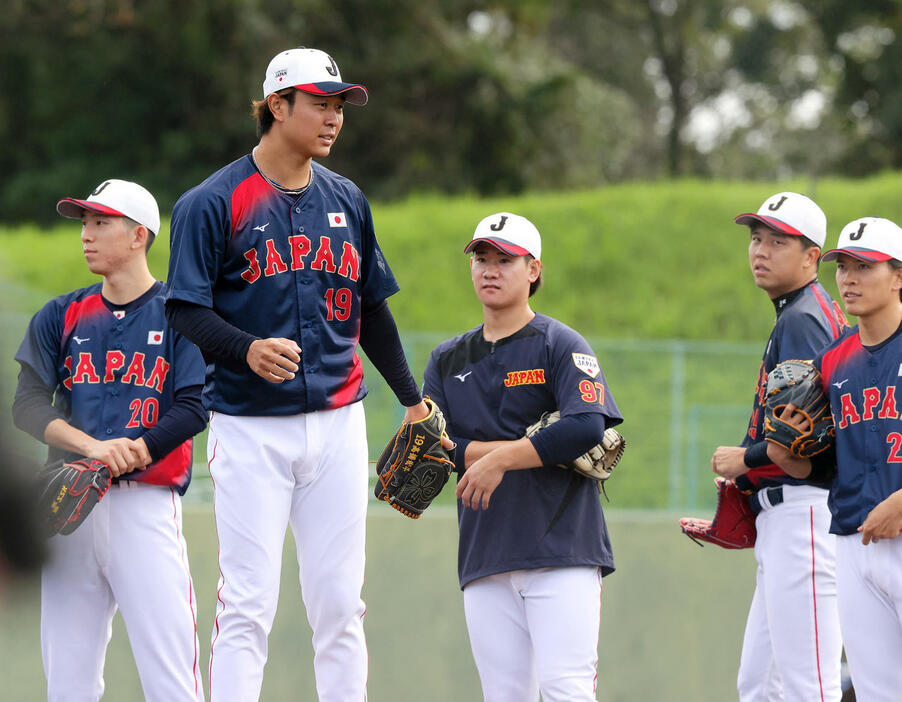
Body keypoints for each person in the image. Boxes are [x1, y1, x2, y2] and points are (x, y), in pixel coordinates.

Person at [164, 47, 440, 701]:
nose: (333, 118)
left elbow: (371, 309)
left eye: (339, 105)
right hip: (250, 426)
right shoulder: (212, 202)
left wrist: (412, 399)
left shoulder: (347, 198)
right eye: (320, 103)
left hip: (340, 421)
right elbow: (183, 310)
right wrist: (245, 348)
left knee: (342, 605)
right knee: (249, 603)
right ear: (277, 106)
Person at [12, 179, 207, 701]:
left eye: (101, 222)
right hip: (68, 505)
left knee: (171, 677)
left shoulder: (179, 314)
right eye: (84, 223)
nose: (86, 235)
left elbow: (194, 406)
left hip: (144, 508)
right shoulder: (61, 315)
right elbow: (26, 405)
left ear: (138, 235)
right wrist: (94, 448)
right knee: (69, 682)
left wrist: (135, 451)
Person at [422, 212, 622, 701]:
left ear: (533, 270)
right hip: (486, 552)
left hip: (562, 551)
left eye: (504, 260)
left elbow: (587, 424)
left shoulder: (560, 343)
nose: (489, 269)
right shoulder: (447, 360)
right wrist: (508, 452)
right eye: (481, 259)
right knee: (505, 695)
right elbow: (433, 447)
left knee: (564, 689)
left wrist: (495, 458)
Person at [710, 192, 846, 701]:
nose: (760, 250)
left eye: (778, 241)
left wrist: (742, 460)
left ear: (812, 256)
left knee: (808, 685)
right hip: (786, 516)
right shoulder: (805, 313)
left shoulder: (802, 319)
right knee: (761, 685)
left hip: (805, 514)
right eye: (756, 238)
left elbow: (807, 436)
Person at [768, 217, 902, 702]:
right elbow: (822, 467)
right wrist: (786, 452)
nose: (849, 278)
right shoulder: (832, 359)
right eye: (843, 266)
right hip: (851, 541)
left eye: (865, 266)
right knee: (875, 691)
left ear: (899, 276)